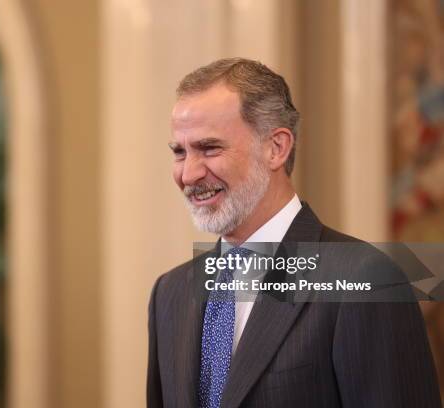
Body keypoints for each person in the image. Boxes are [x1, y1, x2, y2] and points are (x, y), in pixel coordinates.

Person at [147, 57, 441, 408]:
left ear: (276, 148)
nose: (189, 174)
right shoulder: (170, 293)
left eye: (210, 148)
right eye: (180, 152)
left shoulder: (366, 278)